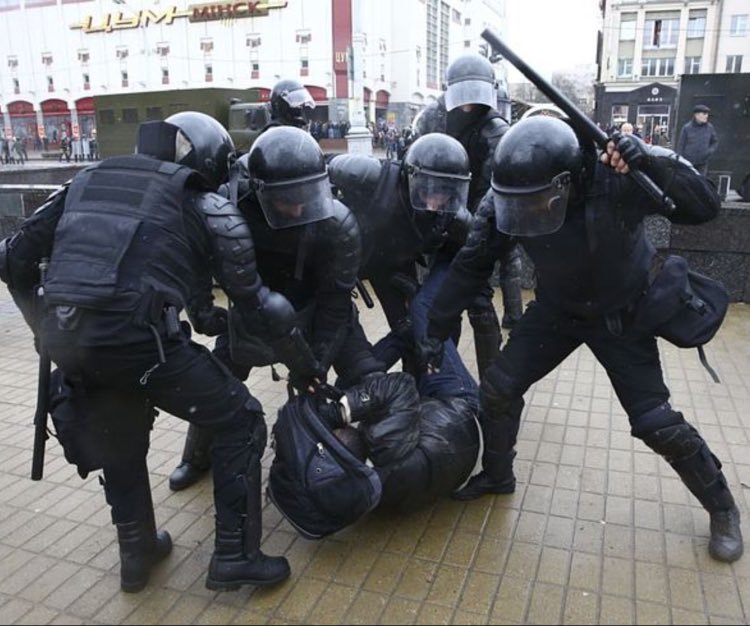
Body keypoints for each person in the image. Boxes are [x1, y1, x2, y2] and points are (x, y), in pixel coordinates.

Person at [0, 111, 325, 593]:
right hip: (141, 346)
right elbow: (260, 307)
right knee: (241, 420)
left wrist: (42, 332)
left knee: (119, 432)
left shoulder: (84, 181)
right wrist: (306, 366)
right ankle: (235, 556)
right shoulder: (201, 201)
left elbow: (11, 260)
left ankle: (138, 556)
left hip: (74, 347)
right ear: (212, 161)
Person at [421, 116, 743, 563]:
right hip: (557, 311)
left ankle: (723, 508)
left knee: (655, 422)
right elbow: (472, 264)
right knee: (497, 389)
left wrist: (649, 161)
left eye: (539, 202)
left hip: (623, 314)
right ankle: (498, 475)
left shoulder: (617, 178)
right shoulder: (506, 201)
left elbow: (703, 206)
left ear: (569, 181)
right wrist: (435, 330)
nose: (529, 214)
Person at [168, 125, 383, 491]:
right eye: (288, 199)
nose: (299, 207)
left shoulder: (336, 222)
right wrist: (200, 309)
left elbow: (335, 301)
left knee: (365, 374)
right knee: (216, 382)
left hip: (317, 307)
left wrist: (314, 363)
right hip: (256, 308)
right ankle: (195, 457)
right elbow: (193, 257)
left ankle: (370, 457)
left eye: (307, 196)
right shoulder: (229, 206)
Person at [328, 132, 476, 397]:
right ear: (411, 177)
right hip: (352, 258)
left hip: (394, 268)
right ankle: (348, 388)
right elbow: (320, 170)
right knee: (337, 332)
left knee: (411, 329)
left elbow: (465, 260)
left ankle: (415, 388)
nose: (435, 201)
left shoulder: (455, 220)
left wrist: (438, 303)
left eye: (445, 192)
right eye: (429, 188)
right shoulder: (371, 176)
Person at [414, 52, 524, 378]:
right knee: (441, 306)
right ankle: (446, 373)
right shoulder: (432, 118)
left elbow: (494, 195)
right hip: (436, 221)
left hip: (477, 222)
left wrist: (473, 230)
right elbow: (417, 166)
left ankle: (491, 382)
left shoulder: (495, 132)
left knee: (478, 301)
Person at [676, 104, 719, 176]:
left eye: (707, 114)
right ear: (696, 115)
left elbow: (715, 142)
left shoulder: (709, 128)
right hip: (688, 163)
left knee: (700, 182)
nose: (706, 116)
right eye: (704, 114)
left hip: (702, 163)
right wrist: (680, 160)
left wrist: (709, 152)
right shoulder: (687, 128)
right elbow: (681, 145)